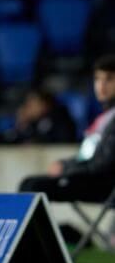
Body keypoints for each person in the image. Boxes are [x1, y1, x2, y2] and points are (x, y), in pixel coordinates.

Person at [19, 55, 115, 202]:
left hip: (104, 184)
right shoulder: (104, 118)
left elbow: (104, 164)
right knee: (29, 184)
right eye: (97, 79)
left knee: (33, 186)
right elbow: (88, 156)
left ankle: (41, 226)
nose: (101, 86)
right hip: (90, 177)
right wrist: (67, 165)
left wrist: (66, 169)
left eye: (108, 79)